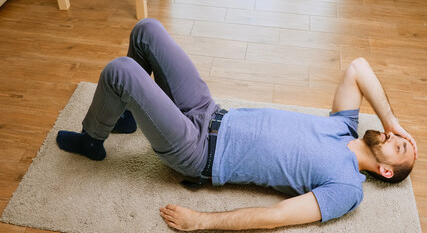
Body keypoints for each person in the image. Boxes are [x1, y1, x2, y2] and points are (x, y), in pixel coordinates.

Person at [56, 18, 418, 231]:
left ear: (386, 171)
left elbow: (277, 216)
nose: (391, 135)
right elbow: (358, 67)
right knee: (146, 30)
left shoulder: (347, 188)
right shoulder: (344, 127)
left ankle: (93, 140)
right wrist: (394, 122)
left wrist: (202, 221)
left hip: (199, 152)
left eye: (398, 146)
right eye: (399, 136)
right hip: (209, 110)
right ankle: (123, 116)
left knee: (121, 71)